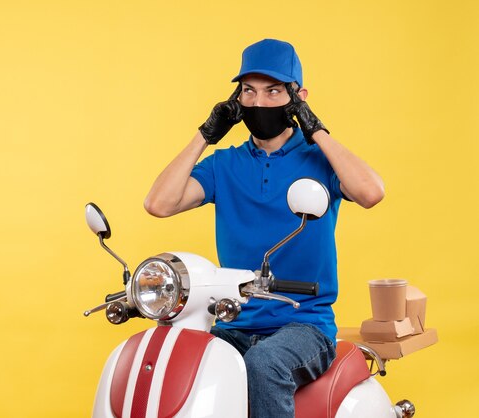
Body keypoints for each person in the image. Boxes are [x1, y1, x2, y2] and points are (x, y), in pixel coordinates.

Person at [144, 39, 384, 418]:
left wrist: (316, 129)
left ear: (297, 97)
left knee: (264, 364)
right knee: (180, 359)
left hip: (304, 324)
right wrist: (206, 134)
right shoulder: (225, 165)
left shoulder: (320, 161)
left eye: (274, 91)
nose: (259, 103)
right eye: (248, 92)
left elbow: (371, 192)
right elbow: (159, 204)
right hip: (232, 320)